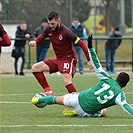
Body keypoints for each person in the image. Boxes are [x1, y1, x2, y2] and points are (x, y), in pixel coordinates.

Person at [31, 34, 133, 118]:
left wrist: (91, 48)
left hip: (77, 98)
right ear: (124, 85)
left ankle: (37, 100)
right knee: (104, 112)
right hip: (84, 112)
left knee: (56, 99)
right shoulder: (120, 95)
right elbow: (126, 106)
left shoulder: (107, 79)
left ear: (116, 78)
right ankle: (76, 112)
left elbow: (97, 65)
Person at [29, 11, 93, 96]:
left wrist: (89, 60)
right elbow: (41, 37)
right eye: (49, 23)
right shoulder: (49, 29)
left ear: (59, 21)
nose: (51, 26)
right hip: (58, 59)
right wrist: (35, 42)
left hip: (69, 59)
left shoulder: (66, 32)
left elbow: (81, 44)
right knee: (35, 68)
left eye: (53, 24)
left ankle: (77, 104)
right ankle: (49, 92)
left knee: (67, 81)